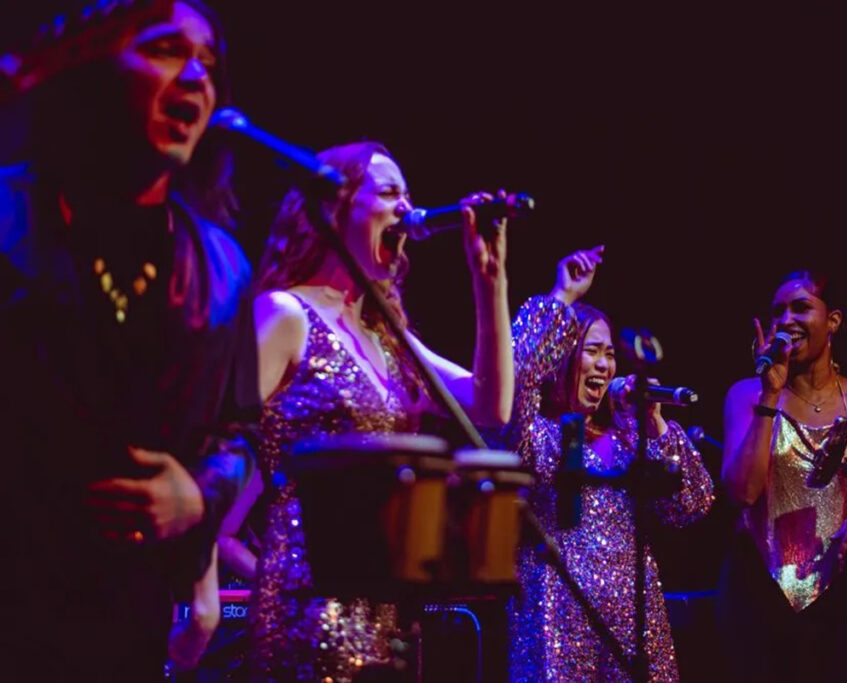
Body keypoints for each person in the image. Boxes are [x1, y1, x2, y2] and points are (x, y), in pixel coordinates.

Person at [0, 1, 258, 680]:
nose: (197, 78)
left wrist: (199, 496)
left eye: (209, 64)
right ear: (91, 68)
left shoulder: (223, 269)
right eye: (167, 49)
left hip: (124, 627)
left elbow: (237, 435)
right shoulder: (9, 220)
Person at [248, 141, 514, 681]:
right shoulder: (285, 315)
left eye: (408, 195)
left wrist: (491, 285)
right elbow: (217, 446)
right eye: (389, 192)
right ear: (335, 206)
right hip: (308, 603)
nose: (406, 208)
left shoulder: (389, 337)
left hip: (390, 614)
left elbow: (492, 405)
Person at [501, 246, 714, 682]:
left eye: (609, 354)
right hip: (555, 617)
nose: (603, 365)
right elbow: (515, 377)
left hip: (635, 623)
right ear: (560, 357)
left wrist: (652, 421)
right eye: (591, 351)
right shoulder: (535, 435)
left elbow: (692, 504)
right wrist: (561, 296)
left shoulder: (629, 440)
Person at [717, 270, 847, 683]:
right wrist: (770, 395)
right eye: (777, 312)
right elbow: (741, 493)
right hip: (757, 591)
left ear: (833, 321)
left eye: (801, 307)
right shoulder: (746, 395)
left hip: (838, 596)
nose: (786, 319)